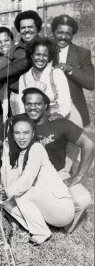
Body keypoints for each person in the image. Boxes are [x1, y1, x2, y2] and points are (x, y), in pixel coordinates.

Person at [0, 86, 94, 233]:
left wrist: (78, 175)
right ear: (24, 104)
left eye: (38, 104)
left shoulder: (59, 123)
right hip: (24, 176)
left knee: (83, 199)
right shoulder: (15, 122)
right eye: (29, 104)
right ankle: (37, 225)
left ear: (46, 105)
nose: (33, 108)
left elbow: (89, 144)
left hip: (57, 176)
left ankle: (64, 225)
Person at [0, 114, 74, 245]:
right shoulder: (19, 154)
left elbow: (27, 180)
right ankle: (37, 226)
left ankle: (41, 232)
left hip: (62, 209)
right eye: (17, 133)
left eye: (26, 133)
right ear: (12, 135)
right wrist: (7, 150)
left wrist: (9, 192)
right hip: (46, 208)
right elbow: (9, 182)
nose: (21, 137)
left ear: (32, 134)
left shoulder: (36, 148)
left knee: (23, 192)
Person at [51, 15, 95, 172]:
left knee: (74, 155)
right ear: (53, 32)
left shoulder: (82, 53)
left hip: (74, 110)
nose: (63, 36)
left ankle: (76, 188)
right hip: (50, 109)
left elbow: (91, 82)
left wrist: (70, 69)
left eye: (67, 33)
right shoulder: (44, 49)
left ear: (72, 34)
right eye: (59, 32)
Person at [18, 37, 71, 117]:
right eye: (38, 54)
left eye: (45, 55)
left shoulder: (57, 74)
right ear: (31, 55)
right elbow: (22, 107)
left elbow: (66, 104)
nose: (41, 58)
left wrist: (59, 114)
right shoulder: (24, 78)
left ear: (49, 57)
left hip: (55, 120)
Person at [0, 27, 15, 121]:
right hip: (1, 102)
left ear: (13, 41)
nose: (3, 44)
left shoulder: (19, 58)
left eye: (6, 40)